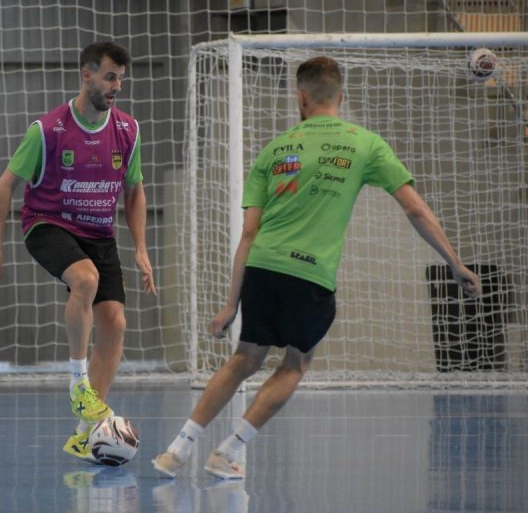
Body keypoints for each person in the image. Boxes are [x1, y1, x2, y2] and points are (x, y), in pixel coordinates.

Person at [152, 56, 482, 480]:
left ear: (301, 97)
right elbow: (416, 211)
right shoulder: (365, 144)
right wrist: (454, 263)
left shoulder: (275, 149)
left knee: (244, 358)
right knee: (295, 363)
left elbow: (248, 234)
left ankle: (177, 449)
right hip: (310, 276)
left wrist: (229, 305)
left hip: (262, 268)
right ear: (340, 96)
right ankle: (229, 451)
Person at [0, 41, 157, 462]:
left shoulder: (127, 130)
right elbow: (6, 184)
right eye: (110, 76)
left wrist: (142, 248)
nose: (116, 86)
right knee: (85, 279)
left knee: (115, 324)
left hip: (99, 233)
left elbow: (134, 192)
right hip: (48, 224)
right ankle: (79, 386)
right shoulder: (48, 129)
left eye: (121, 79)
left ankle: (83, 433)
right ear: (87, 73)